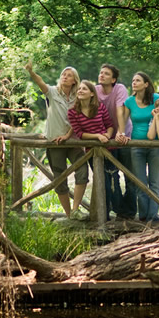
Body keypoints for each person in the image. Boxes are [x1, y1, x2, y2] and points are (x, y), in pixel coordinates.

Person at [24, 60, 86, 218]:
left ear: (74, 81)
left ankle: (76, 209)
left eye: (69, 75)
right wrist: (31, 72)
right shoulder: (52, 92)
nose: (65, 77)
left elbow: (78, 119)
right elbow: (40, 82)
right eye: (63, 74)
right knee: (60, 180)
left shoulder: (77, 97)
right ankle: (69, 215)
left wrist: (68, 135)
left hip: (73, 142)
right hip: (54, 143)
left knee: (83, 171)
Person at [67, 80, 115, 220]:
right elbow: (80, 134)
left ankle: (116, 211)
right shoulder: (72, 112)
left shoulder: (100, 107)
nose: (80, 91)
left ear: (92, 93)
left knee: (113, 182)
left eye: (84, 89)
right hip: (92, 152)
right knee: (101, 181)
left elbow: (110, 125)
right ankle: (102, 216)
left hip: (108, 149)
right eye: (79, 89)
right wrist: (97, 136)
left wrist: (107, 135)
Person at [118, 72, 159, 222]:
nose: (134, 83)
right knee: (140, 183)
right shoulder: (129, 101)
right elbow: (122, 121)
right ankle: (143, 217)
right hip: (136, 146)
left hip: (155, 145)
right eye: (133, 80)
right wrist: (121, 133)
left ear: (146, 84)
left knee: (154, 182)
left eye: (138, 80)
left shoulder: (156, 98)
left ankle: (153, 216)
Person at [95, 63, 136, 220]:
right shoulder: (96, 90)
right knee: (111, 177)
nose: (102, 75)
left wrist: (121, 132)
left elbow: (120, 110)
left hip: (124, 135)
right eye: (101, 72)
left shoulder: (120, 89)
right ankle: (116, 211)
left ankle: (130, 213)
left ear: (113, 79)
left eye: (106, 73)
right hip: (107, 139)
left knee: (130, 176)